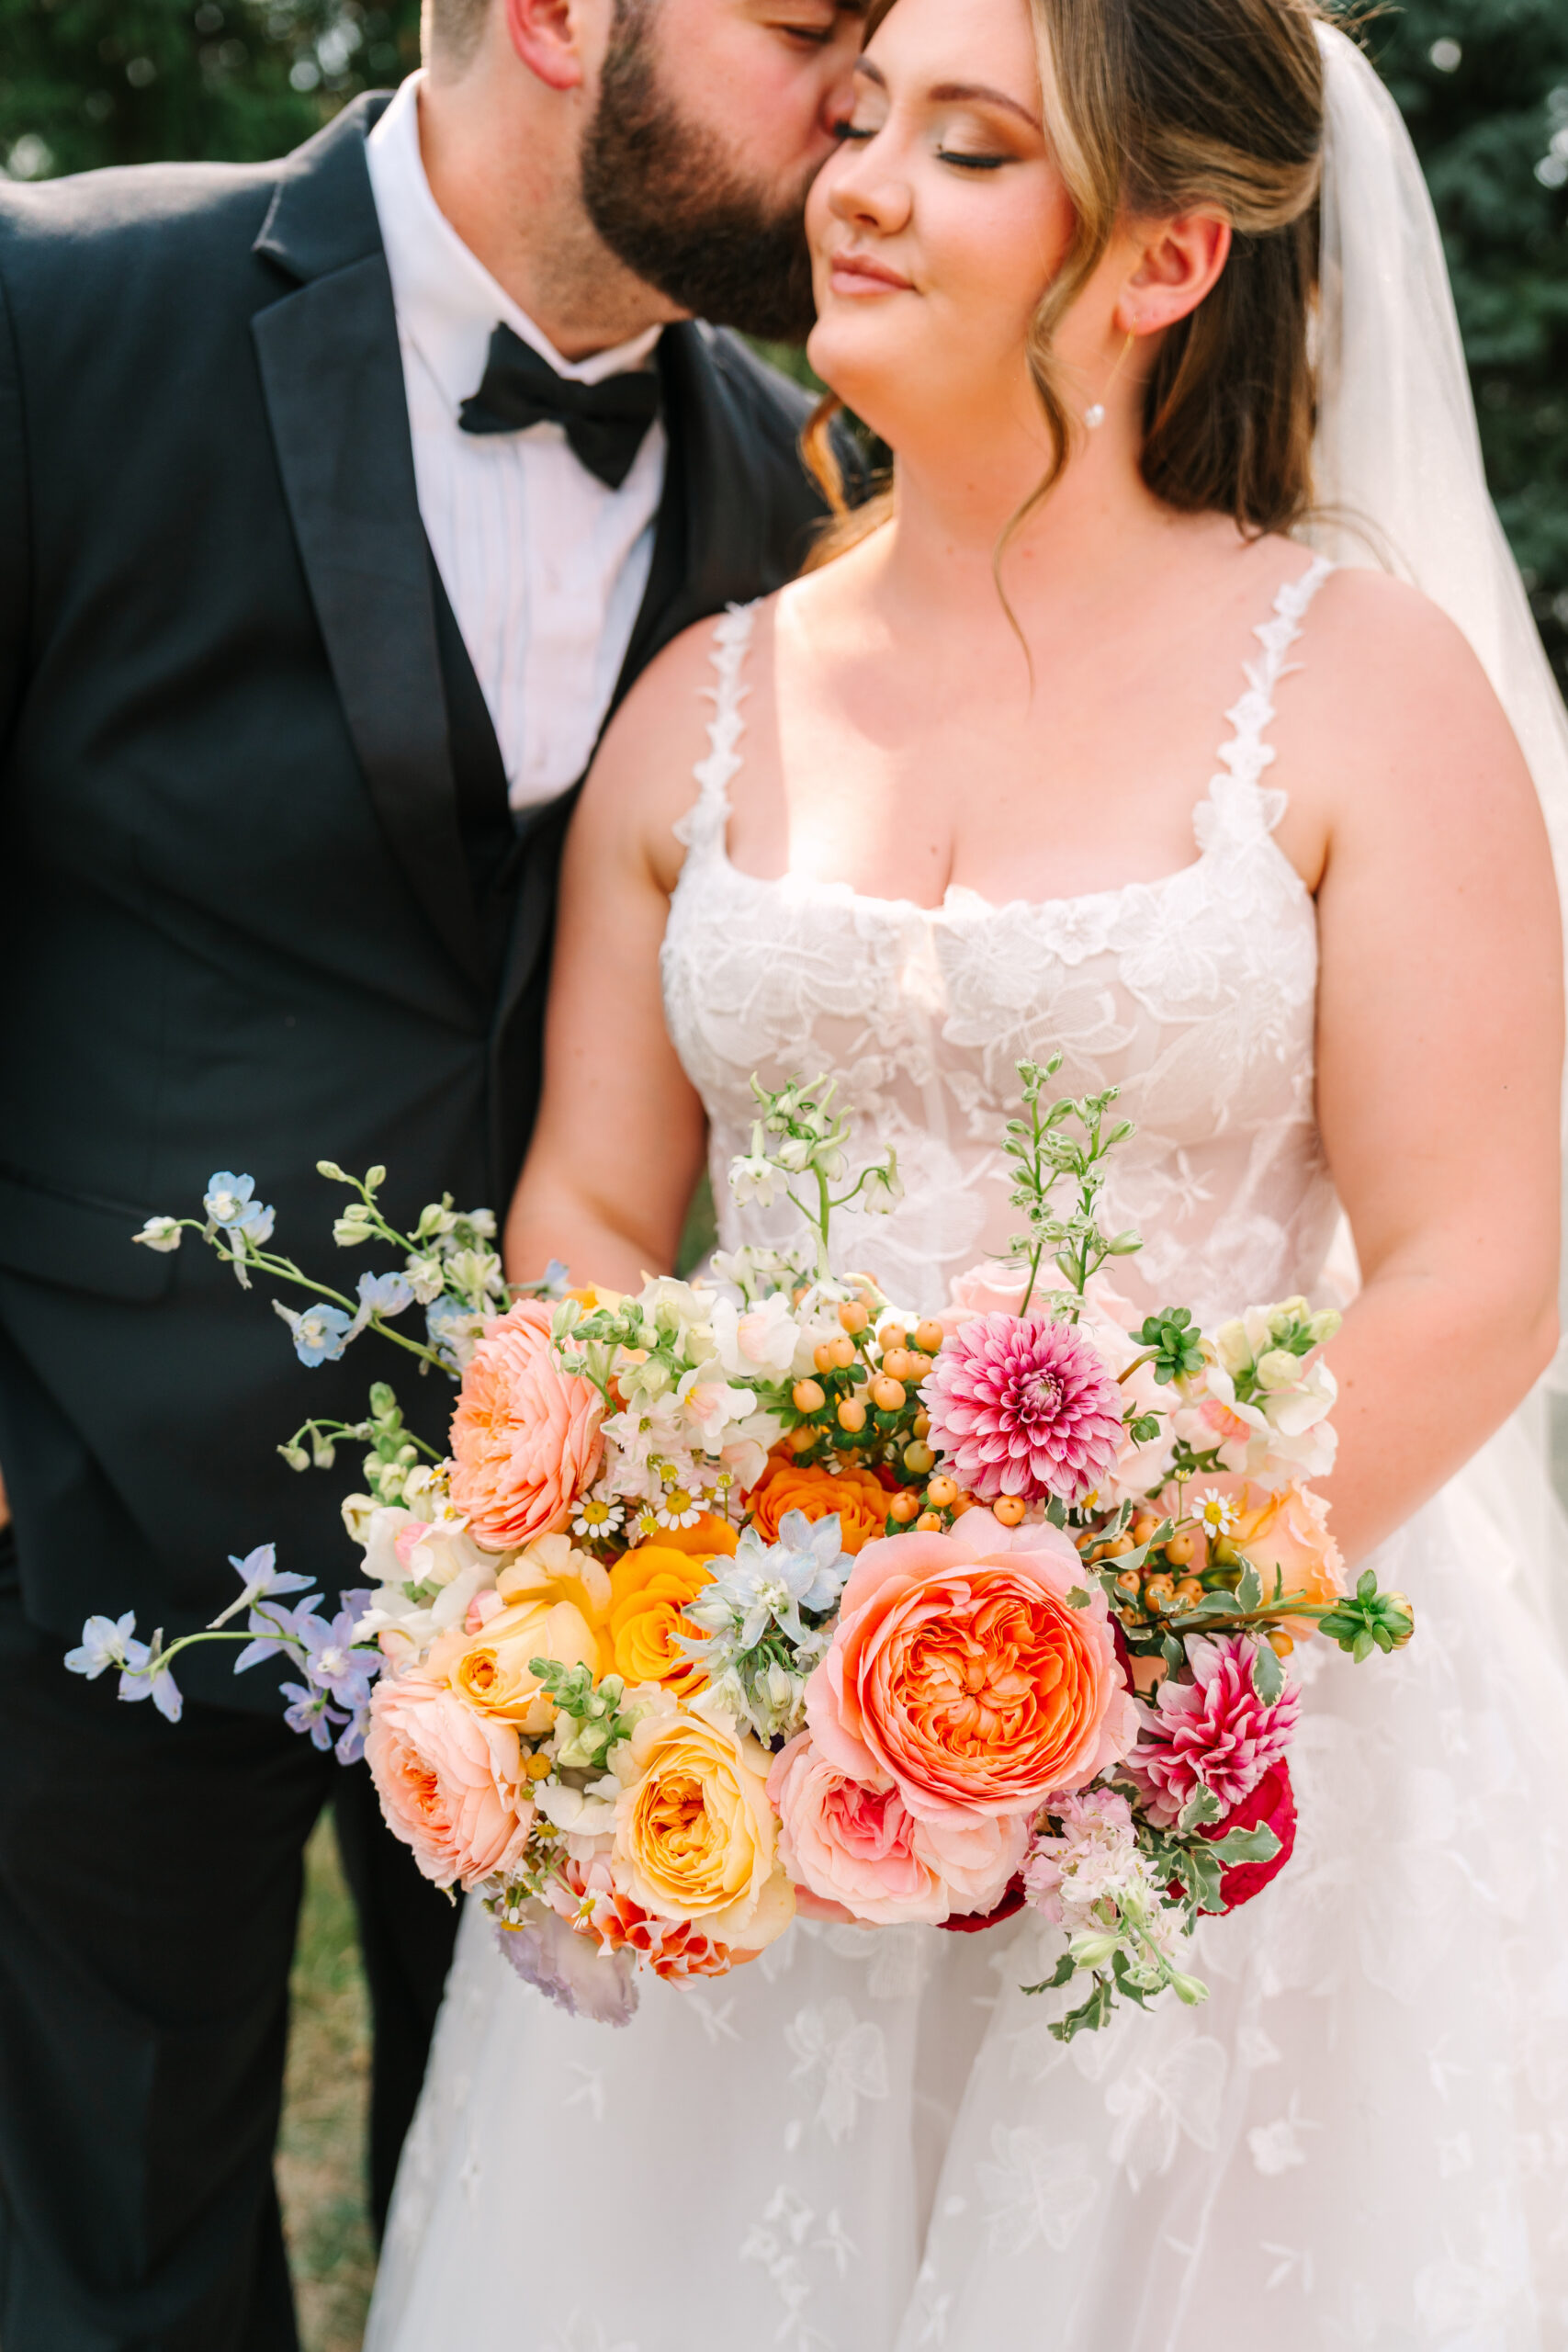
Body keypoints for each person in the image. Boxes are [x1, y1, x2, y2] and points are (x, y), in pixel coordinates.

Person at [364, 0, 1568, 2341]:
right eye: (859, 121)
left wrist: (1099, 1659)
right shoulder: (699, 703)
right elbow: (595, 1213)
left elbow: (1472, 1265)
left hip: (1231, 1781)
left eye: (965, 144)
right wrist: (653, 1584)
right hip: (741, 1745)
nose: (858, 184)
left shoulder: (1356, 687)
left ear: (1160, 257)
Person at [0, 0, 866, 2337]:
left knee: (529, 2228)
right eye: (809, 30)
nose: (865, 99)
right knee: (90, 2255)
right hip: (87, 1523)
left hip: (585, 1576)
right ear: (567, 18)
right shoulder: (58, 306)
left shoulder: (792, 476)